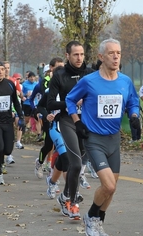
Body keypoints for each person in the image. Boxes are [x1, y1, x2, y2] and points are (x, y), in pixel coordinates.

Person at [66, 38, 140, 236]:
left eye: (119, 53)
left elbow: (133, 102)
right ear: (101, 57)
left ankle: (98, 222)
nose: (116, 56)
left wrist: (134, 116)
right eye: (111, 53)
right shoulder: (89, 81)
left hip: (114, 140)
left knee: (111, 189)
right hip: (94, 139)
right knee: (109, 185)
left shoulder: (125, 81)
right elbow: (70, 99)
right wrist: (77, 121)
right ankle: (90, 217)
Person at [47, 40, 95, 220]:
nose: (79, 58)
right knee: (74, 163)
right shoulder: (59, 75)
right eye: (76, 54)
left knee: (79, 166)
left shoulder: (90, 73)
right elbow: (50, 102)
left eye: (82, 54)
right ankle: (73, 203)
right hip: (67, 121)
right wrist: (71, 103)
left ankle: (64, 196)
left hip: (87, 123)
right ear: (67, 55)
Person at [0, 61, 25, 185]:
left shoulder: (10, 84)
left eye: (2, 69)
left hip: (8, 121)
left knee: (7, 150)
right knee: (0, 148)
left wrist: (21, 116)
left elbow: (16, 102)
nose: (1, 71)